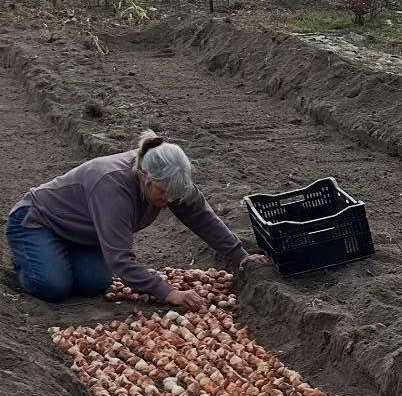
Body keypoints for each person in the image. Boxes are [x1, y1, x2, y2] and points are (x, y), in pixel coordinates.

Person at [5, 130, 255, 312]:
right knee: (53, 287)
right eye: (163, 192)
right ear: (144, 177)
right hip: (38, 222)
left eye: (174, 193)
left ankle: (57, 256)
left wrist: (240, 255)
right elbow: (121, 260)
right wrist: (168, 293)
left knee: (93, 284)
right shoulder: (112, 186)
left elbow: (201, 216)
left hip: (83, 236)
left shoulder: (169, 180)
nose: (168, 199)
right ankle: (27, 260)